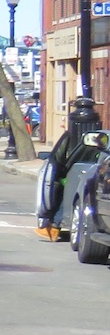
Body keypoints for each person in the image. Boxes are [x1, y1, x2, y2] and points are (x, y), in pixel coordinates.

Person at [37, 96, 104, 238]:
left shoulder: (77, 142)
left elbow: (61, 156)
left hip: (78, 172)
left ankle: (54, 225)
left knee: (65, 189)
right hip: (88, 170)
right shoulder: (96, 139)